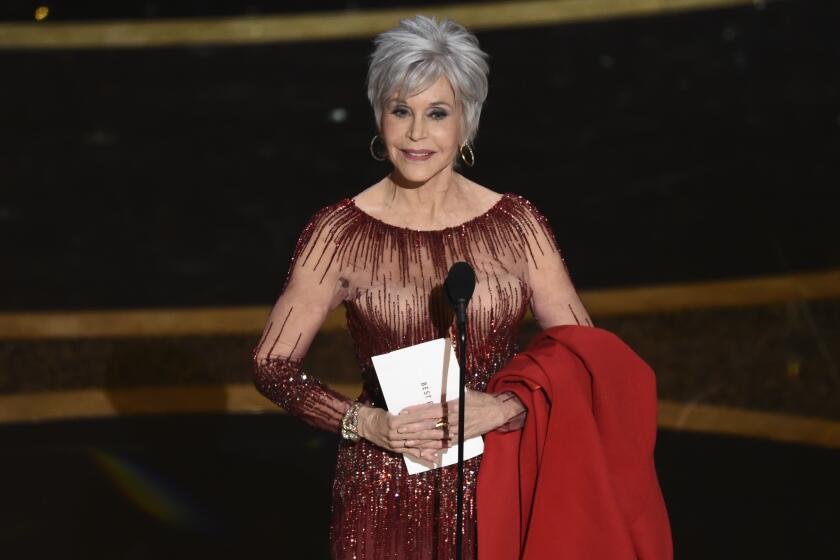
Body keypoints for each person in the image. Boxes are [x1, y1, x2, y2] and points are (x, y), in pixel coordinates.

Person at [252, 15, 592, 559]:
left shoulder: (517, 225)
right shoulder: (339, 232)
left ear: (467, 122)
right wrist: (366, 424)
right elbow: (272, 367)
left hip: (502, 479)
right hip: (383, 491)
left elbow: (583, 356)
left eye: (437, 113)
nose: (416, 134)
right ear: (379, 118)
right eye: (400, 111)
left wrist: (506, 407)